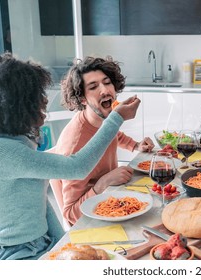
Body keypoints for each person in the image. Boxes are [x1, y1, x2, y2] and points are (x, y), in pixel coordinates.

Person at [0, 53, 140, 260]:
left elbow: (40, 205)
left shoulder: (17, 141)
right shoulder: (0, 150)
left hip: (40, 244)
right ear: (15, 105)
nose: (45, 99)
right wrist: (117, 117)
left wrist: (62, 244)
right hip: (15, 254)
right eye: (36, 95)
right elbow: (77, 168)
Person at [51, 56, 154, 226]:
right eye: (93, 87)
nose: (104, 90)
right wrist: (103, 183)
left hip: (112, 198)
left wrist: (136, 145)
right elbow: (70, 214)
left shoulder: (103, 122)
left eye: (107, 83)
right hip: (92, 218)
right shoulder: (75, 143)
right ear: (82, 98)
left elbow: (113, 135)